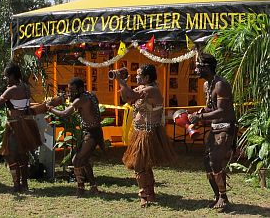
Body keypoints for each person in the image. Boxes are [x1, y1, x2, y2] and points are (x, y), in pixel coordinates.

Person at [116, 64, 176, 208]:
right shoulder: (142, 88)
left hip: (149, 133)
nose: (136, 77)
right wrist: (121, 83)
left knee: (139, 164)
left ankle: (144, 195)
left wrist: (121, 81)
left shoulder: (152, 90)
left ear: (147, 77)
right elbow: (125, 98)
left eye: (138, 75)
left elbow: (131, 95)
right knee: (144, 164)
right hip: (139, 131)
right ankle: (150, 194)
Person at [0, 62, 43, 193]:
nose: (4, 79)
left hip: (16, 125)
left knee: (10, 155)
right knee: (23, 154)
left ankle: (17, 185)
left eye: (6, 76)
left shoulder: (12, 90)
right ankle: (24, 184)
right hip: (26, 123)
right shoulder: (25, 87)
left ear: (12, 76)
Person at [188, 53, 236, 210]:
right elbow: (212, 107)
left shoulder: (220, 85)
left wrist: (200, 117)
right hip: (214, 128)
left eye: (197, 67)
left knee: (215, 159)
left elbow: (221, 111)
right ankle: (218, 196)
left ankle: (223, 197)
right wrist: (199, 113)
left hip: (225, 127)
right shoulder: (206, 85)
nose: (195, 70)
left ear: (206, 67)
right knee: (207, 162)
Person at [47, 77, 104, 197]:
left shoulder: (80, 100)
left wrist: (50, 108)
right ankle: (93, 187)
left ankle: (81, 188)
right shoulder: (90, 95)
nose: (70, 93)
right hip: (94, 131)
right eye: (69, 90)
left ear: (80, 89)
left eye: (72, 90)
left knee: (76, 160)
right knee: (84, 160)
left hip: (92, 133)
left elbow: (65, 113)